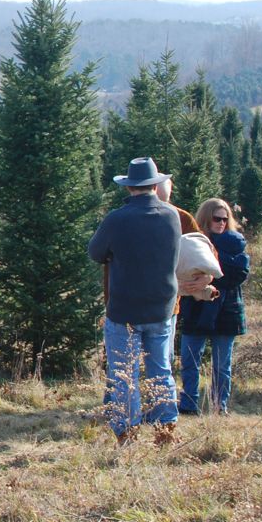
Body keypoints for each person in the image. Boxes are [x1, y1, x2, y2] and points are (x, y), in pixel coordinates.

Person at [88, 157, 181, 446]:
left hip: (125, 307)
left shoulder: (117, 219)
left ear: (129, 188)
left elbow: (95, 252)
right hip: (162, 305)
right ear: (155, 185)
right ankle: (165, 428)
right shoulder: (171, 216)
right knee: (161, 370)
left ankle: (127, 432)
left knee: (124, 372)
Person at [178, 198, 250, 416]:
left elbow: (238, 275)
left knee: (221, 365)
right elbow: (183, 269)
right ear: (206, 219)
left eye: (224, 219)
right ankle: (189, 404)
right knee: (190, 360)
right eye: (216, 218)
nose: (221, 222)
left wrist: (209, 278)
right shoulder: (194, 242)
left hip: (227, 309)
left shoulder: (236, 243)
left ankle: (220, 406)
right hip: (196, 308)